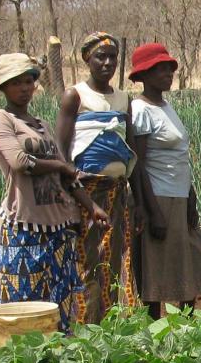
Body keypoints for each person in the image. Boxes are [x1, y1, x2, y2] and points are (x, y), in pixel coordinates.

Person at [0, 53, 108, 332]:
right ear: (4, 87)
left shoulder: (41, 124)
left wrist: (91, 206)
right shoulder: (1, 119)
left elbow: (66, 178)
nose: (25, 88)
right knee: (21, 308)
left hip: (58, 225)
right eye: (16, 82)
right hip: (23, 225)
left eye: (29, 81)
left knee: (59, 306)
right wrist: (61, 165)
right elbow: (19, 162)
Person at [129, 43, 201, 319]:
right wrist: (151, 211)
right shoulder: (140, 110)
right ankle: (154, 331)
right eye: (160, 69)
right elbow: (138, 164)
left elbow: (179, 157)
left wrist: (190, 194)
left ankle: (187, 327)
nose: (168, 73)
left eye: (169, 68)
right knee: (157, 270)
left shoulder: (166, 106)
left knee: (189, 261)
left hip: (178, 196)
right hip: (158, 197)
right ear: (143, 75)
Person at [56, 31, 142, 324]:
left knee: (118, 260)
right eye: (100, 57)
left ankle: (116, 328)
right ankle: (84, 329)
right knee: (88, 261)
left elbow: (130, 152)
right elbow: (62, 155)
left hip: (118, 192)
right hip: (85, 193)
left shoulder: (122, 99)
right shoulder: (75, 95)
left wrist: (137, 200)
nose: (107, 63)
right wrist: (82, 199)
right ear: (86, 60)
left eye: (112, 57)